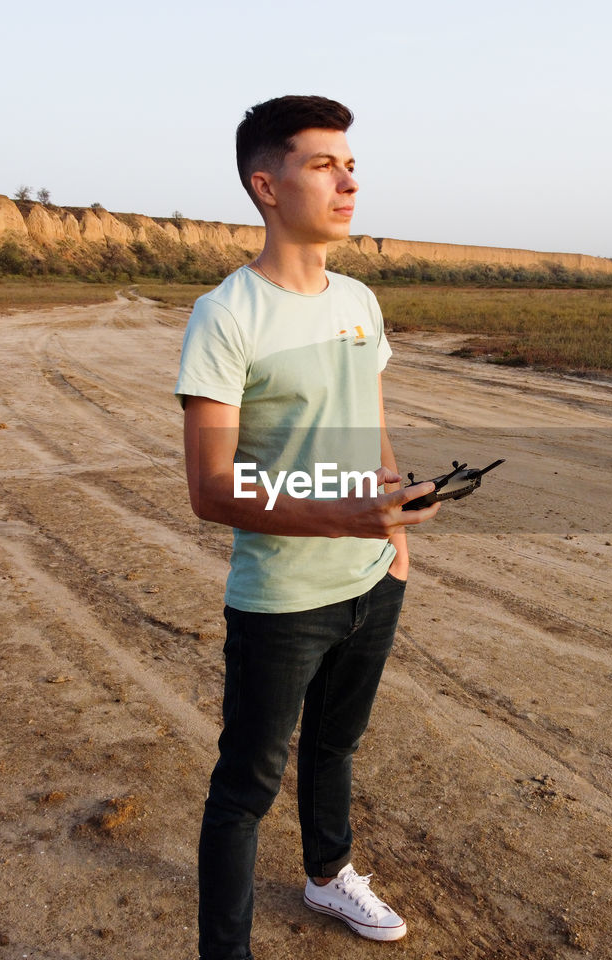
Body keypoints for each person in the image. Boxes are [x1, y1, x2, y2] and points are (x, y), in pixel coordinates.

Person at [174, 94, 440, 960]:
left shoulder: (359, 298)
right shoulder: (226, 316)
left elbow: (369, 419)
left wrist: (393, 534)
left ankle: (329, 876)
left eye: (350, 164)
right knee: (245, 789)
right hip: (282, 598)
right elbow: (211, 489)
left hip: (373, 581)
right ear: (267, 185)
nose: (349, 180)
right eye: (324, 165)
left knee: (338, 746)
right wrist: (347, 518)